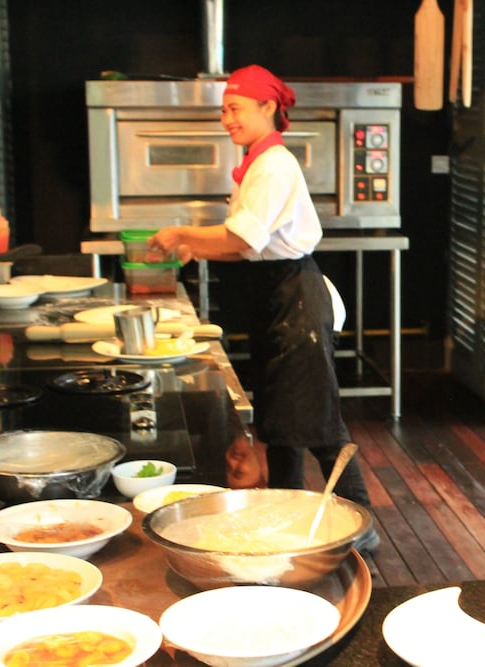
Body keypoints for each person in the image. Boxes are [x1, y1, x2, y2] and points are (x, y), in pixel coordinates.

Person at [149, 64, 379, 554]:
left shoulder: (274, 165)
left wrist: (183, 232)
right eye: (223, 111)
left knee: (321, 423)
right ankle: (287, 519)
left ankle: (364, 528)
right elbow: (249, 247)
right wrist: (196, 249)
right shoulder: (257, 163)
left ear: (267, 107)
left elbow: (241, 237)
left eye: (235, 108)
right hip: (275, 297)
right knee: (280, 424)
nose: (227, 119)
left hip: (298, 299)